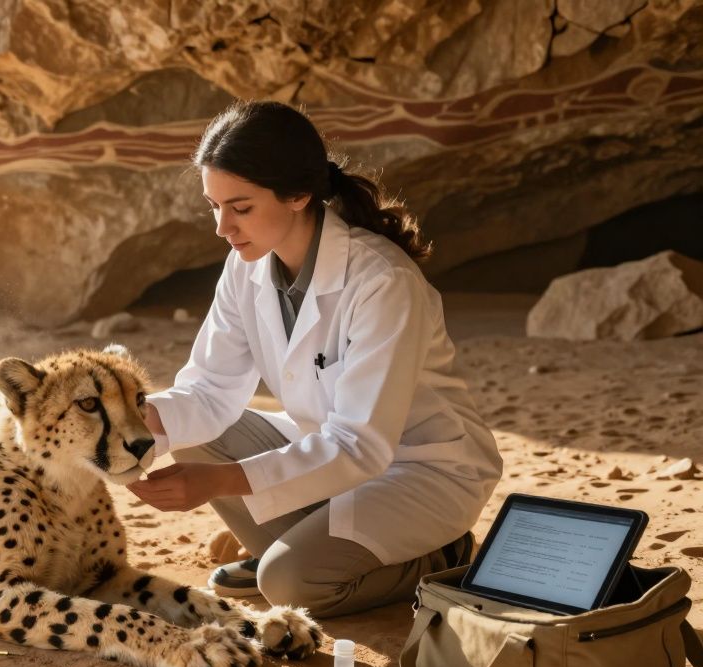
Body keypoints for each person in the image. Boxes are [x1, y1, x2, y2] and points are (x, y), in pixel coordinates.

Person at [125, 101, 503, 618]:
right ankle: (300, 548)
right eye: (213, 206)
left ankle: (440, 554)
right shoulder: (244, 268)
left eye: (240, 208)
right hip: (329, 450)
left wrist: (218, 481)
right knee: (190, 428)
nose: (222, 227)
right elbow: (208, 391)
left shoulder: (382, 281)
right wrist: (122, 424)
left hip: (420, 470)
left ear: (298, 195)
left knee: (289, 583)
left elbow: (360, 445)